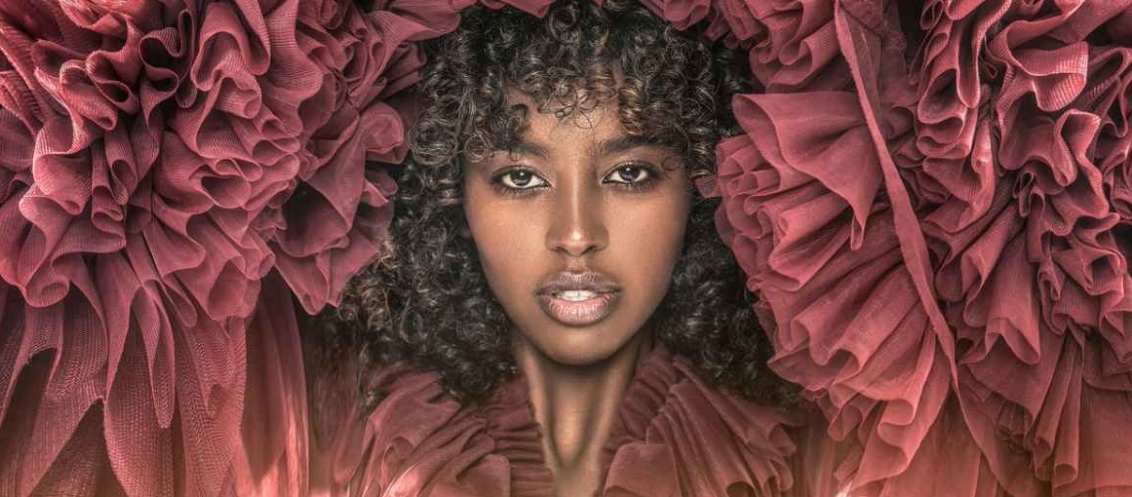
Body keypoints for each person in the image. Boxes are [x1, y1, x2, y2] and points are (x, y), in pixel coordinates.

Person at [304, 0, 846, 495]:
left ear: (703, 182)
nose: (577, 235)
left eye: (629, 173)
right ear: (451, 194)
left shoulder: (796, 452)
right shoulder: (353, 438)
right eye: (521, 178)